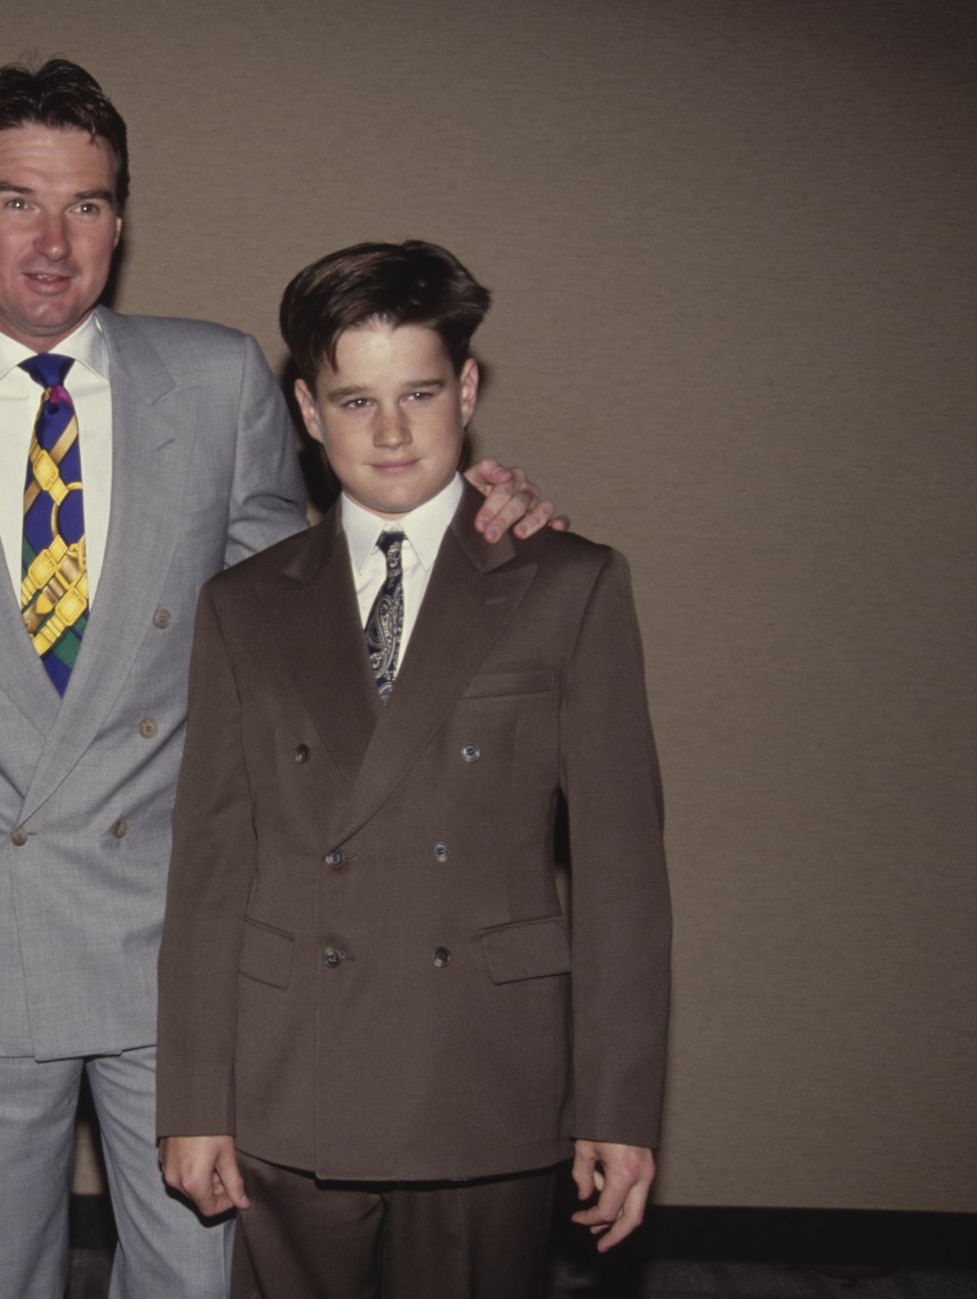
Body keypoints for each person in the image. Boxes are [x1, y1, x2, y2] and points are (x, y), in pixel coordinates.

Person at [0, 61, 560, 1299]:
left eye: (89, 206)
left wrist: (466, 546)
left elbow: (311, 610)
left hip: (182, 922)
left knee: (197, 1278)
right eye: (17, 202)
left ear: (123, 218)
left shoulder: (213, 383)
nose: (54, 243)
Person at [156, 240, 671, 1298]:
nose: (390, 432)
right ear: (306, 411)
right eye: (354, 401)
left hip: (481, 1071)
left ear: (468, 389)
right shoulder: (244, 606)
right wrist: (194, 1097)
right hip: (296, 1069)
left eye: (420, 393)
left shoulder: (569, 585)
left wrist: (619, 1106)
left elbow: (622, 871)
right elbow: (211, 867)